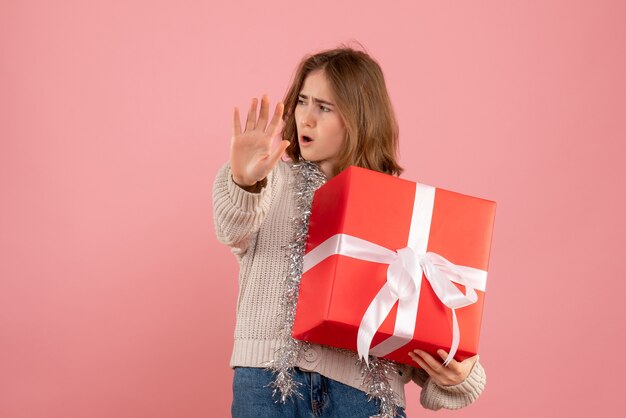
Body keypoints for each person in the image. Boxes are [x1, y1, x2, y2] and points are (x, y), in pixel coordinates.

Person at [213, 45, 486, 418]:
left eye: (324, 108)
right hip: (267, 384)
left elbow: (426, 318)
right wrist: (243, 182)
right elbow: (233, 228)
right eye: (303, 102)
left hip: (364, 397)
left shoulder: (409, 212)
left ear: (360, 118)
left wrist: (463, 373)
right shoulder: (267, 180)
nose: (305, 118)